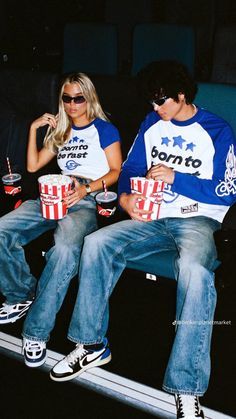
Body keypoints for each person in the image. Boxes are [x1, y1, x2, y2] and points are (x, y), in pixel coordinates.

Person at [49, 61, 236, 418]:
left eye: (161, 102)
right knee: (97, 244)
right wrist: (125, 199)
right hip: (151, 217)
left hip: (197, 219)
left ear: (182, 95)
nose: (155, 110)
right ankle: (90, 344)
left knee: (195, 270)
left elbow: (228, 190)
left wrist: (176, 178)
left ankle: (186, 387)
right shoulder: (153, 123)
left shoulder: (216, 129)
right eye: (151, 103)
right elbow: (131, 169)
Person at [0, 72, 122, 367]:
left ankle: (36, 331)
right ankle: (19, 294)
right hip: (53, 191)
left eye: (78, 98)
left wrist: (85, 190)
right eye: (66, 98)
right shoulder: (62, 131)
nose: (71, 104)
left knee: (64, 250)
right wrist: (33, 128)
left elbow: (116, 171)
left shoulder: (104, 130)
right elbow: (32, 165)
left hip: (86, 197)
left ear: (89, 98)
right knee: (3, 229)